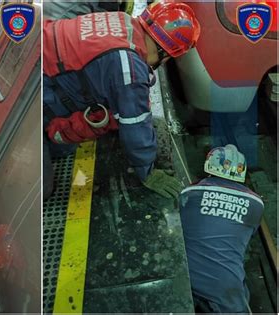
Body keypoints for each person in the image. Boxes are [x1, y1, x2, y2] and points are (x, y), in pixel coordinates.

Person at [42, 1, 200, 200]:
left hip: (35, 58)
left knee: (67, 143)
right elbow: (135, 125)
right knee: (44, 189)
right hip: (33, 100)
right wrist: (148, 173)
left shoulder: (122, 21)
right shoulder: (129, 69)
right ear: (167, 55)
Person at [179, 144, 264, 313]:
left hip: (188, 278)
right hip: (227, 288)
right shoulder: (256, 204)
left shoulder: (189, 193)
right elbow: (248, 234)